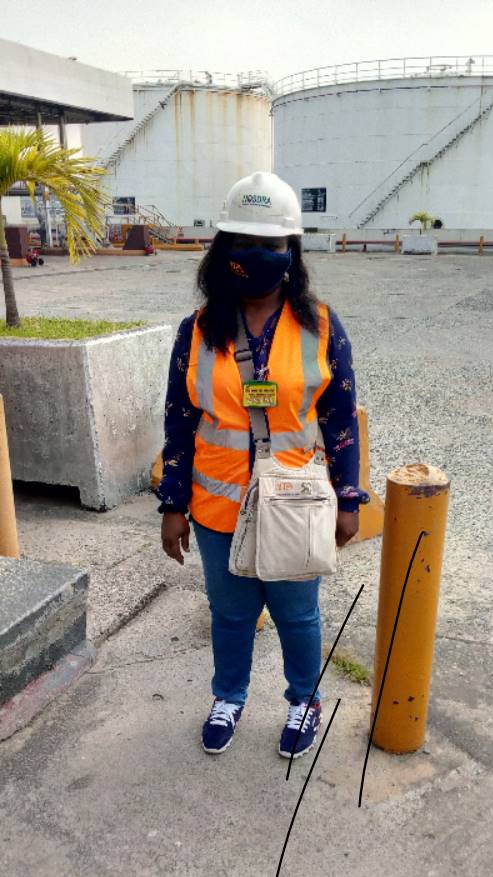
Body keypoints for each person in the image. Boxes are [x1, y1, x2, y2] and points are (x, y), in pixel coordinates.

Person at [155, 171, 370, 758]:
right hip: (217, 508)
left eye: (271, 244)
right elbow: (179, 422)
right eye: (243, 243)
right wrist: (173, 504)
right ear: (223, 250)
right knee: (230, 614)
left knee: (298, 616)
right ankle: (229, 696)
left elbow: (341, 420)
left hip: (295, 503)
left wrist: (349, 498)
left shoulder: (320, 327)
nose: (257, 255)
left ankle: (305, 701)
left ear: (291, 251)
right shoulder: (197, 331)